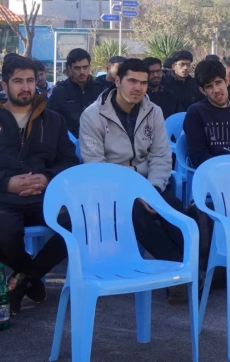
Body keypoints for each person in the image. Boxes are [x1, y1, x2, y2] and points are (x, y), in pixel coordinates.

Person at [0, 55, 78, 315]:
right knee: (5, 237)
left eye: (30, 80)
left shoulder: (52, 120)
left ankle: (23, 280)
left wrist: (48, 178)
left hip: (44, 195)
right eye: (18, 81)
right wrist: (6, 183)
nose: (25, 87)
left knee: (81, 223)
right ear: (4, 85)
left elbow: (69, 160)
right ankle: (30, 279)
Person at [78, 58, 187, 303]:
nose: (138, 88)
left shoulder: (153, 111)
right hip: (110, 193)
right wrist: (133, 194)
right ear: (117, 81)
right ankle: (180, 273)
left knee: (176, 212)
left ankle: (185, 269)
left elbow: (161, 155)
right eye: (132, 81)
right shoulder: (92, 116)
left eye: (143, 83)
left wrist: (151, 190)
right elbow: (95, 166)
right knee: (139, 216)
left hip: (149, 185)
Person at [182, 59, 230, 168]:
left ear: (226, 81)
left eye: (218, 82)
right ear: (203, 91)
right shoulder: (195, 113)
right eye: (209, 86)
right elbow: (198, 156)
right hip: (212, 173)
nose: (216, 90)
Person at [47, 48, 108, 137]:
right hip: (69, 145)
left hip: (97, 142)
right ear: (70, 68)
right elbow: (50, 120)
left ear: (89, 67)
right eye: (77, 68)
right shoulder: (59, 92)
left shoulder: (101, 90)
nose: (82, 72)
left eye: (85, 67)